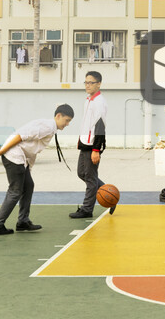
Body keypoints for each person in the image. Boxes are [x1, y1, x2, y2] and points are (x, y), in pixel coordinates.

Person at [0, 104, 75, 236]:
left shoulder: (50, 127)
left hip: (21, 159)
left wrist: (27, 165)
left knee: (28, 185)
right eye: (67, 120)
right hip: (14, 157)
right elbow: (20, 136)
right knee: (15, 191)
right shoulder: (47, 127)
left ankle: (23, 221)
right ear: (58, 116)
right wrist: (1, 151)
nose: (67, 124)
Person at [70, 71, 110, 219]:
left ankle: (87, 209)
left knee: (91, 178)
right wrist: (80, 140)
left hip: (92, 145)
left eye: (91, 82)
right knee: (82, 173)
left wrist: (96, 150)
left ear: (98, 84)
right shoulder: (88, 100)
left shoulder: (100, 102)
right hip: (85, 143)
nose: (87, 85)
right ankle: (109, 192)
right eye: (86, 82)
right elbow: (87, 124)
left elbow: (100, 127)